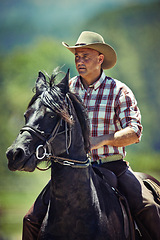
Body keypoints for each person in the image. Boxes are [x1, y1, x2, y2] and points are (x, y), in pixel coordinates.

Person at [23, 31, 160, 240]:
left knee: (149, 207)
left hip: (113, 166)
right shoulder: (66, 92)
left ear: (100, 59)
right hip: (71, 171)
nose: (80, 61)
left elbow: (134, 132)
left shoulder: (118, 91)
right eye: (77, 57)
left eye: (85, 56)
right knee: (30, 220)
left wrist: (101, 140)